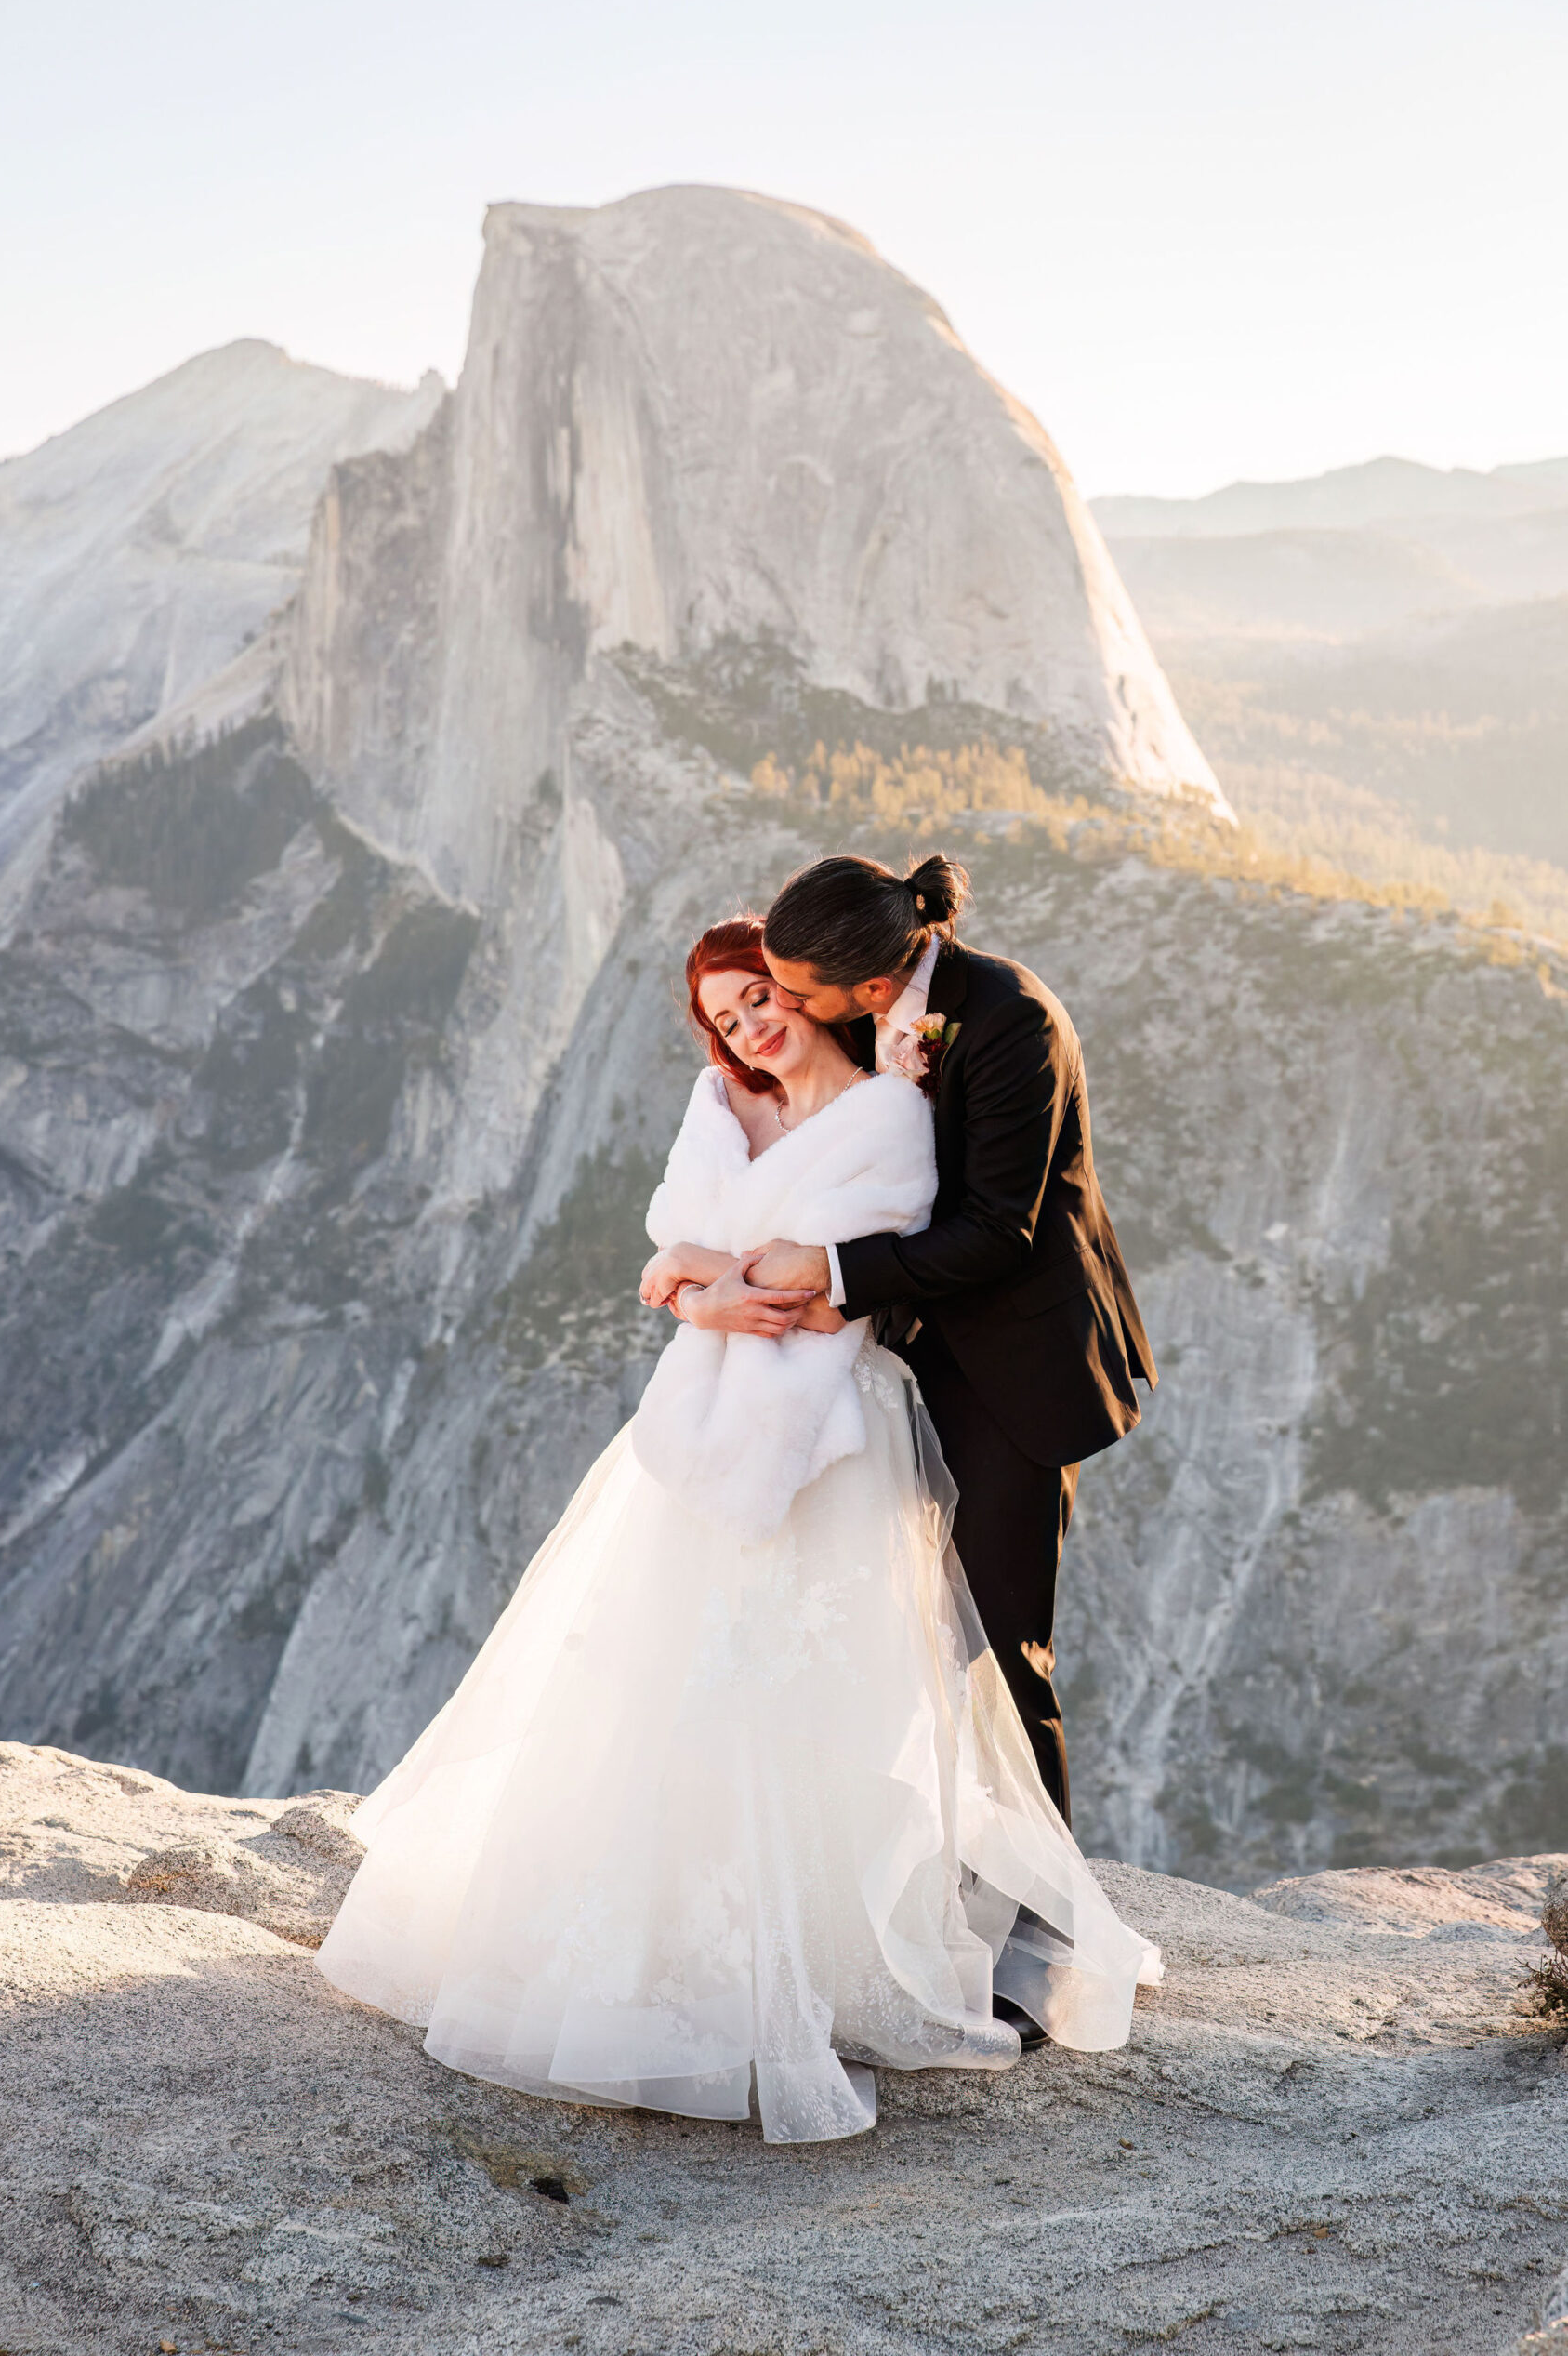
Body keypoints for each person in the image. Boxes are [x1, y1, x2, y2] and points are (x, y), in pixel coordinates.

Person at [316, 917, 1159, 2145]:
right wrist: (710, 1281)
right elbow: (672, 1247)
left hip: (835, 1426)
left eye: (760, 997)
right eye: (721, 1014)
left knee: (852, 1685)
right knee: (668, 1676)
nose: (747, 1025)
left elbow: (857, 1279)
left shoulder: (887, 1104)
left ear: (813, 991)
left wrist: (738, 1280)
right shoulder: (719, 1102)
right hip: (707, 1426)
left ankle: (885, 1943)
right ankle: (662, 1941)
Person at [758, 854, 1157, 1828]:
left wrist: (832, 1270)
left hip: (1016, 1371)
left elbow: (998, 1231)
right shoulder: (859, 1012)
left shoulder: (1015, 1023)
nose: (789, 1009)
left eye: (800, 992)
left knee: (997, 1652)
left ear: (876, 987)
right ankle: (929, 1885)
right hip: (904, 1363)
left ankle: (1040, 1934)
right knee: (897, 1635)